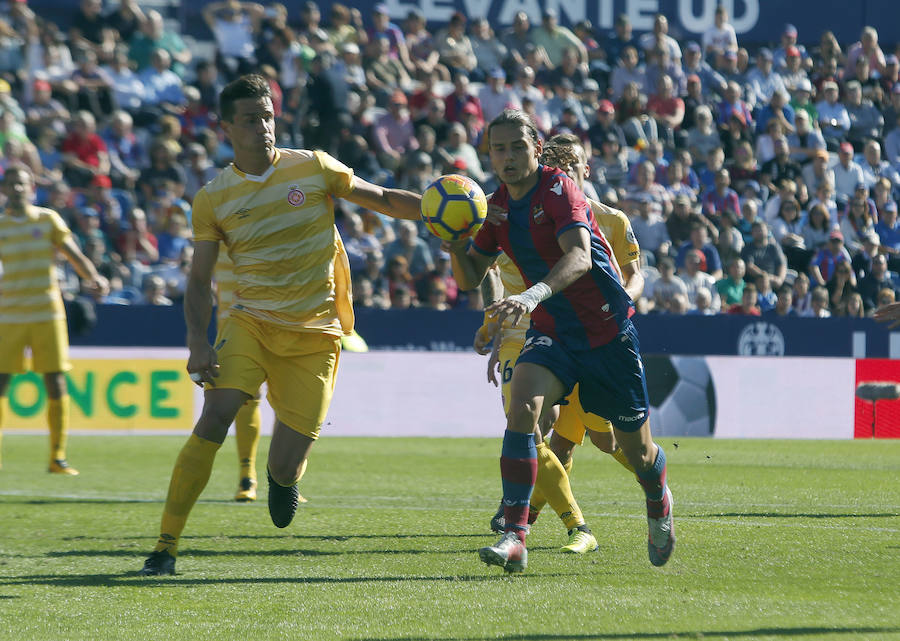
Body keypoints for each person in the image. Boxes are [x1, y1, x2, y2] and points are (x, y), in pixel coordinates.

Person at [138, 75, 425, 576]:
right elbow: (199, 278)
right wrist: (196, 344)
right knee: (215, 416)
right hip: (250, 324)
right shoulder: (213, 198)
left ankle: (281, 479)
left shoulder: (312, 166)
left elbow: (380, 197)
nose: (263, 127)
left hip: (317, 334)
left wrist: (441, 214)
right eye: (250, 119)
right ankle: (165, 547)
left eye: (267, 116)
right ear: (227, 127)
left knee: (286, 464)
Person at [447, 109, 675, 573]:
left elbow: (580, 258)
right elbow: (473, 273)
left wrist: (529, 295)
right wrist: (453, 239)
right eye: (498, 149)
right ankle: (515, 536)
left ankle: (658, 496)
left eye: (517, 147)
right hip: (553, 330)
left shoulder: (558, 188)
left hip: (607, 333)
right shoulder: (496, 207)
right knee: (523, 411)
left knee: (634, 451)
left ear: (535, 149)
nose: (508, 157)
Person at [482, 133, 643, 554]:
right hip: (537, 334)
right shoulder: (522, 213)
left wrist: (625, 301)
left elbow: (631, 272)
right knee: (537, 430)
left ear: (584, 170)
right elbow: (490, 271)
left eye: (572, 165)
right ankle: (565, 526)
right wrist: (495, 328)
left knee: (604, 439)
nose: (564, 173)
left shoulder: (608, 219)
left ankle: (649, 480)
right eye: (557, 165)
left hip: (596, 333)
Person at [0, 165, 109, 474]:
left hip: (48, 312)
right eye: (11, 183)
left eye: (21, 183)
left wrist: (93, 276)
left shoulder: (47, 219)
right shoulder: (1, 225)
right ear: (5, 189)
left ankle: (57, 457)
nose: (17, 188)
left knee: (55, 379)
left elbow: (73, 253)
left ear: (31, 186)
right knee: (1, 382)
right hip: (9, 315)